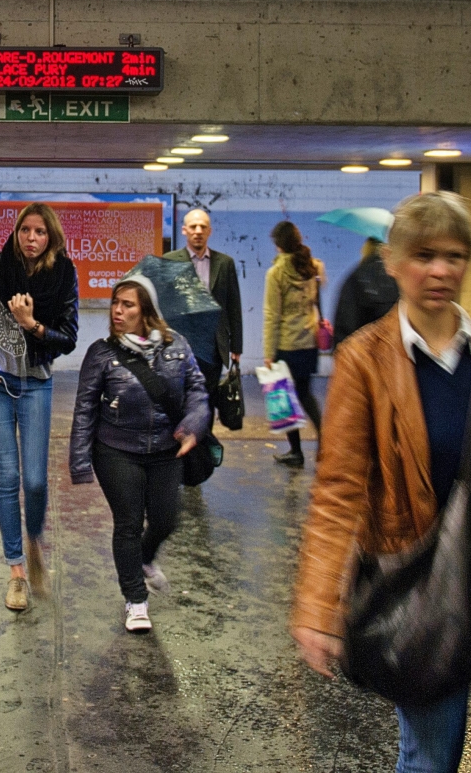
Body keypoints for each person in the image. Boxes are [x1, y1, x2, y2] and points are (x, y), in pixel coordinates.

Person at [291, 192, 471, 773]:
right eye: (424, 255)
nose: (440, 270)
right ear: (395, 263)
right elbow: (338, 493)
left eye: (454, 256)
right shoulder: (365, 361)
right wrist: (318, 605)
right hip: (424, 595)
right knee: (430, 760)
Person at [70, 276, 211, 633]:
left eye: (127, 304)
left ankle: (145, 560)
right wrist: (80, 460)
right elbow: (85, 407)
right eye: (115, 303)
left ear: (146, 310)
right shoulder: (102, 353)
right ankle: (135, 600)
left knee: (166, 520)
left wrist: (194, 424)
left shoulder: (177, 345)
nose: (117, 311)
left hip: (166, 448)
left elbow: (197, 390)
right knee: (129, 523)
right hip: (116, 449)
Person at [0, 203, 80, 610]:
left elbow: (69, 337)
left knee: (34, 480)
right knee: (8, 476)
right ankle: (15, 571)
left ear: (51, 237)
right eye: (25, 230)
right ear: (16, 233)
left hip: (36, 384)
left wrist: (32, 325)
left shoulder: (64, 274)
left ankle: (34, 542)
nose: (31, 238)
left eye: (39, 232)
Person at [162, 206, 244, 416]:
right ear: (184, 230)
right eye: (193, 226)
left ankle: (203, 446)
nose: (198, 230)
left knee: (206, 401)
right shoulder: (170, 261)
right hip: (180, 344)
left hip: (213, 347)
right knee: (178, 399)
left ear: (209, 231)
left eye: (203, 227)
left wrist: (237, 346)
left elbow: (233, 306)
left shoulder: (225, 263)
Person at [264, 220, 327, 467]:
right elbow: (316, 305)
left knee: (284, 398)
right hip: (308, 342)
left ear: (279, 245)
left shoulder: (276, 273)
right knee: (305, 394)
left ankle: (296, 452)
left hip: (286, 345)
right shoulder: (312, 267)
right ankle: (326, 442)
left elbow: (272, 315)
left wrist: (268, 353)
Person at [332, 236, 399, 347]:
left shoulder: (357, 276)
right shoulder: (403, 277)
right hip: (398, 354)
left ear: (367, 248)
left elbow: (345, 324)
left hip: (365, 353)